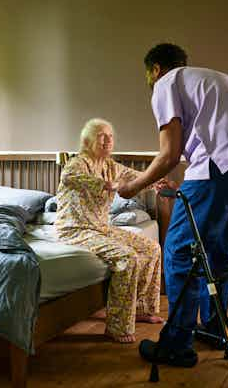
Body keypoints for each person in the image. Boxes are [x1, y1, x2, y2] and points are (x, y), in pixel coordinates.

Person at [116, 43, 228, 367]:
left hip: (220, 165)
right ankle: (215, 327)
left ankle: (177, 344)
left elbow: (169, 154)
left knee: (180, 251)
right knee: (217, 248)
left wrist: (131, 186)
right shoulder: (213, 79)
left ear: (155, 69)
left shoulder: (166, 83)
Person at [55, 118, 164, 343]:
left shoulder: (111, 165)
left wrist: (156, 183)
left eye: (110, 135)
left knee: (152, 248)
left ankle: (141, 308)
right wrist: (104, 185)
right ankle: (118, 326)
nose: (107, 140)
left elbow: (136, 176)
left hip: (101, 228)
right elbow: (69, 178)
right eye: (101, 136)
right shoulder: (76, 163)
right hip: (75, 230)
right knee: (127, 258)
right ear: (87, 141)